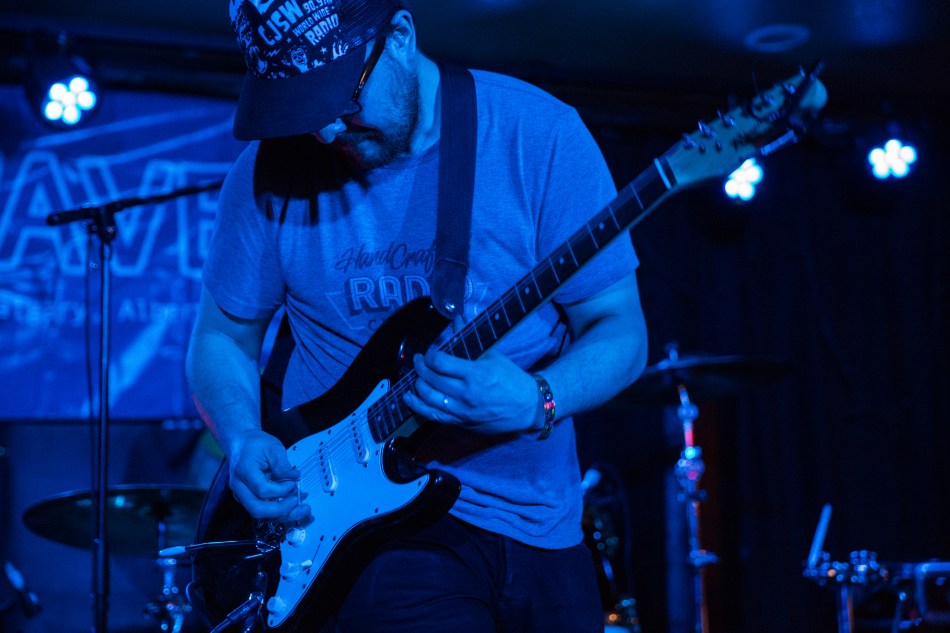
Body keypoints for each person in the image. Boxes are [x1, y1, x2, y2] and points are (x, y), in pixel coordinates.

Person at [186, 0, 648, 631]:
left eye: (340, 99)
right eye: (304, 106)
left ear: (399, 36)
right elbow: (220, 338)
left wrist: (539, 398)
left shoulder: (538, 137)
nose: (325, 130)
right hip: (368, 529)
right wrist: (241, 436)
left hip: (543, 520)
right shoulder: (269, 172)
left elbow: (620, 330)